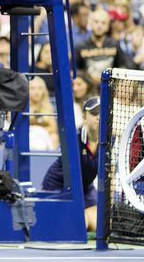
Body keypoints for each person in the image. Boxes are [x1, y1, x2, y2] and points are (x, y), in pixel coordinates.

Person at [42, 96, 100, 231]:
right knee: (78, 225)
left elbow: (109, 178)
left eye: (102, 114)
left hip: (85, 188)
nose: (98, 117)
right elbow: (73, 176)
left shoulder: (110, 141)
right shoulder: (74, 140)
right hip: (59, 187)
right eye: (94, 113)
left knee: (101, 225)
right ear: (85, 117)